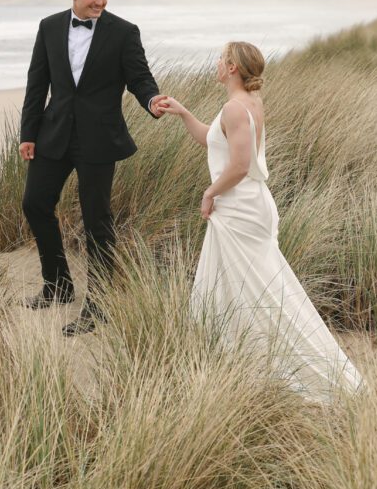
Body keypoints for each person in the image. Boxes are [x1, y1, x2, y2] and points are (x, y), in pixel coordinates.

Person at [155, 41, 365, 403]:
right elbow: (212, 139)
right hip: (245, 205)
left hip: (241, 208)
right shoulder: (246, 105)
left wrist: (209, 193)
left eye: (221, 59)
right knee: (240, 287)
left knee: (264, 291)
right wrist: (183, 112)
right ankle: (239, 361)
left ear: (233, 67)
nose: (217, 64)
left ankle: (318, 372)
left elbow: (237, 166)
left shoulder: (235, 108)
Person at [19, 0, 167, 336]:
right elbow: (37, 84)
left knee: (96, 222)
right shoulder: (49, 27)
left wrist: (151, 101)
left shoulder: (123, 32)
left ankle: (99, 305)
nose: (99, 2)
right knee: (35, 203)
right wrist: (28, 133)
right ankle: (58, 284)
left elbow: (139, 78)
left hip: (99, 138)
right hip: (54, 134)